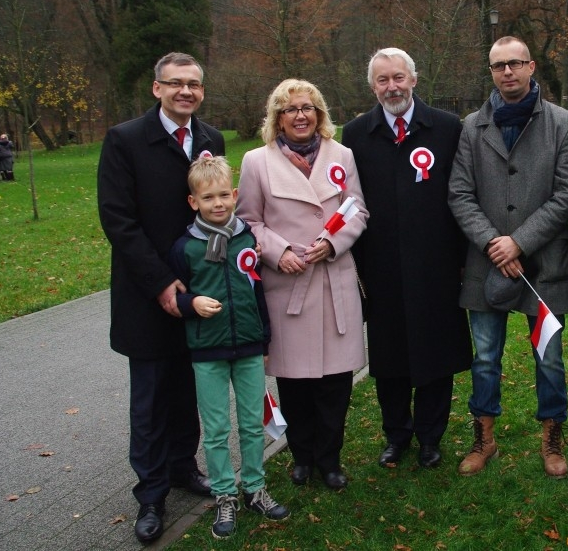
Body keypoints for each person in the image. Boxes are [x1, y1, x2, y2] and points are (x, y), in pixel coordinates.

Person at [98, 52, 223, 544]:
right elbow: (118, 221)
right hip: (146, 294)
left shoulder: (209, 140)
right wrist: (160, 282)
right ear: (157, 89)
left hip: (198, 293)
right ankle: (150, 494)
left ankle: (181, 468)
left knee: (188, 389)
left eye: (193, 84)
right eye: (175, 84)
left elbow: (216, 212)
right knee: (150, 399)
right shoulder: (125, 140)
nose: (185, 92)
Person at [448, 36, 568, 478]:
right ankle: (484, 437)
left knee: (550, 357)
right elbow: (460, 193)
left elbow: (567, 194)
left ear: (531, 66)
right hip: (486, 262)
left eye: (515, 64)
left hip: (544, 265)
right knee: (485, 357)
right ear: (491, 71)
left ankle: (552, 436)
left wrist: (519, 242)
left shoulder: (563, 124)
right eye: (498, 66)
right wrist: (493, 243)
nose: (507, 72)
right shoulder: (473, 126)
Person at [342, 48, 472, 470]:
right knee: (390, 357)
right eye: (383, 80)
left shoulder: (448, 128)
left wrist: (463, 257)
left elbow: (463, 195)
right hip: (381, 266)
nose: (392, 86)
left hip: (436, 264)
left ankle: (431, 436)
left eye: (399, 77)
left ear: (414, 79)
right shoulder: (357, 133)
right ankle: (396, 435)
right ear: (372, 86)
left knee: (436, 354)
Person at [237, 78, 368, 492]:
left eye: (307, 108)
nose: (300, 115)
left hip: (334, 282)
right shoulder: (256, 162)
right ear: (277, 118)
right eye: (290, 109)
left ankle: (330, 460)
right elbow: (248, 222)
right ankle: (302, 456)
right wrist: (278, 252)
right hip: (288, 284)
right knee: (294, 382)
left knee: (334, 383)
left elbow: (357, 210)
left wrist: (332, 243)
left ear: (319, 114)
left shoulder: (341, 154)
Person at [168, 156, 289, 539]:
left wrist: (265, 338)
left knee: (253, 423)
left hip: (250, 346)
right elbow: (177, 297)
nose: (218, 204)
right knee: (218, 428)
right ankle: (224, 493)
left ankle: (255, 487)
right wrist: (192, 305)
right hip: (208, 352)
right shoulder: (185, 248)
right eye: (208, 198)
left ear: (234, 195)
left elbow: (257, 290)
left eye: (224, 195)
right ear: (194, 202)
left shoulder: (247, 237)